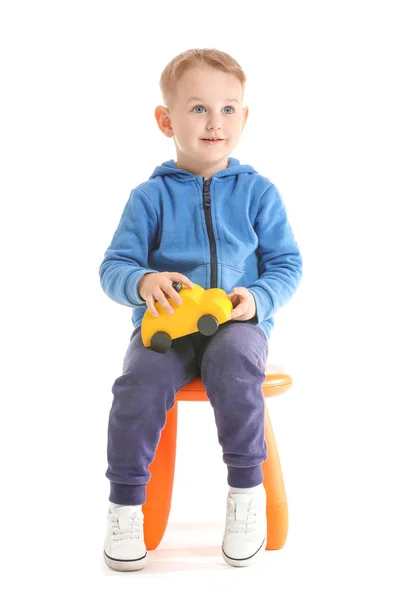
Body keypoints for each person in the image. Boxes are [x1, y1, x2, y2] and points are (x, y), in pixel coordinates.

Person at [99, 48, 302, 571]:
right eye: (198, 109)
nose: (216, 123)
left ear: (245, 117)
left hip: (236, 324)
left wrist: (254, 299)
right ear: (166, 120)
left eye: (229, 109)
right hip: (167, 330)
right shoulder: (149, 197)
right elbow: (113, 267)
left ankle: (245, 493)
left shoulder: (259, 193)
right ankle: (125, 503)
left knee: (234, 367)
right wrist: (144, 281)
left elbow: (286, 265)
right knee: (138, 382)